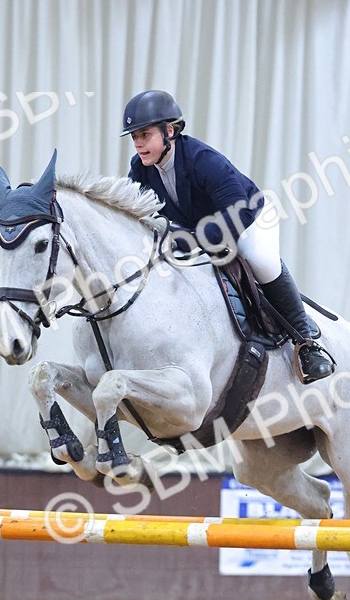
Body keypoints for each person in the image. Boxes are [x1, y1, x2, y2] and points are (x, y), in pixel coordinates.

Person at [121, 89, 335, 383]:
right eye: (134, 137)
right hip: (200, 228)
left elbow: (238, 211)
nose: (138, 144)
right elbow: (136, 213)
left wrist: (194, 239)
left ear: (169, 131)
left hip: (249, 219)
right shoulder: (140, 169)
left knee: (260, 260)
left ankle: (307, 342)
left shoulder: (202, 160)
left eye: (144, 135)